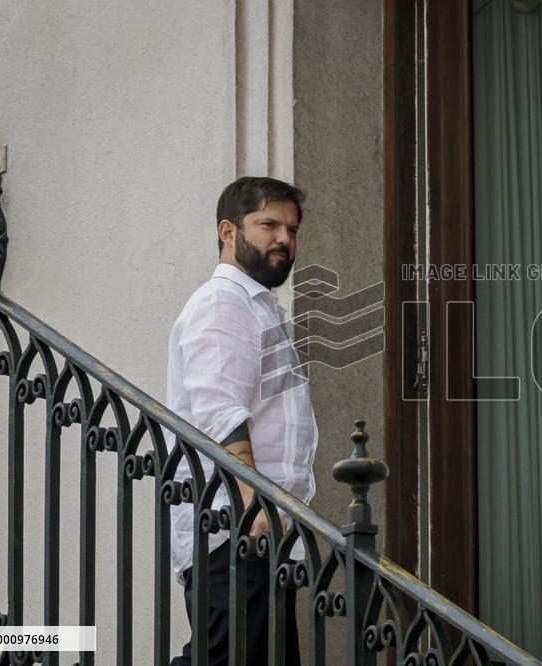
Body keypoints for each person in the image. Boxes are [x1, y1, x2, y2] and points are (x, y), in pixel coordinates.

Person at [164, 177, 318, 665]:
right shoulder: (222, 303)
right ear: (227, 232)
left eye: (291, 229)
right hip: (234, 531)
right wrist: (253, 503)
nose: (284, 239)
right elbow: (219, 409)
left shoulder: (258, 308)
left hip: (259, 534)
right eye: (268, 224)